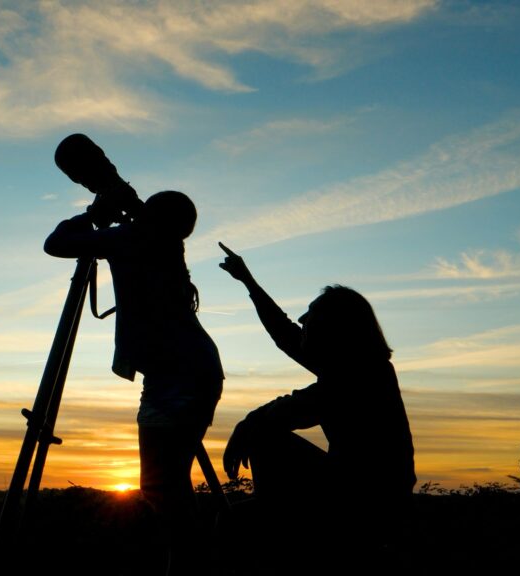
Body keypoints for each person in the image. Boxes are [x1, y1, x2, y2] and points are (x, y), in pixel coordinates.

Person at [45, 181, 223, 575]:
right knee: (170, 485)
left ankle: (190, 569)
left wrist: (92, 216)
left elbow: (56, 243)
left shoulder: (134, 237)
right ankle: (191, 565)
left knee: (161, 488)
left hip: (175, 379)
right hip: (189, 372)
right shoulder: (164, 243)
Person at [218, 242, 415, 574]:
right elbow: (285, 333)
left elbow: (296, 408)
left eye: (311, 315)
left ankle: (278, 529)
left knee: (264, 437)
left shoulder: (361, 373)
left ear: (334, 330)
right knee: (262, 434)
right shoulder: (354, 364)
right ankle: (277, 520)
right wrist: (248, 282)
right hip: (358, 493)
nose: (302, 318)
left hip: (367, 506)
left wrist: (250, 422)